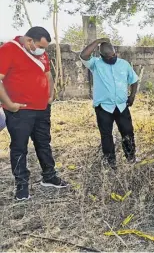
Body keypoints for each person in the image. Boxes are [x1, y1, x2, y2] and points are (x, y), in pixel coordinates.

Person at [0, 27, 68, 201]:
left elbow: (48, 75)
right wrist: (9, 104)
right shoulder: (9, 49)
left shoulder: (41, 54)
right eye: (39, 46)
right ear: (29, 41)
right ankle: (22, 185)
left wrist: (50, 96)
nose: (42, 50)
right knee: (19, 147)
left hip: (42, 109)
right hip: (20, 110)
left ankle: (49, 176)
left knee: (44, 143)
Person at [80, 38, 139, 169]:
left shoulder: (124, 64)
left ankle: (131, 158)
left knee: (128, 132)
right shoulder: (95, 64)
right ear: (101, 56)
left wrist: (132, 96)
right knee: (106, 135)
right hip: (103, 107)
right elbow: (83, 55)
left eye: (113, 55)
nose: (112, 58)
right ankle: (111, 163)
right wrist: (98, 41)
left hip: (122, 106)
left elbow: (134, 80)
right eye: (108, 56)